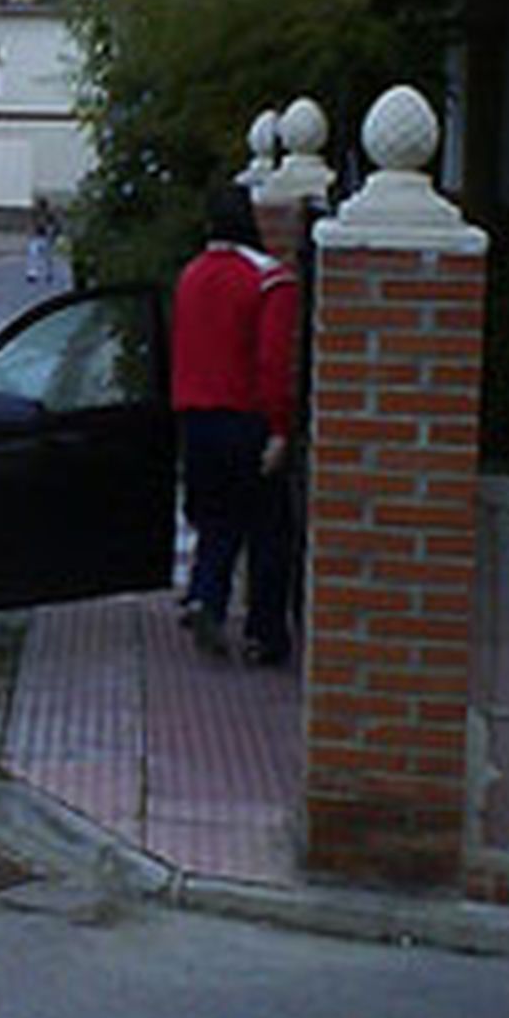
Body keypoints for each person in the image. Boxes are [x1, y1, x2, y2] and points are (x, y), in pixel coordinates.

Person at [170, 181, 299, 663]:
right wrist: (280, 428)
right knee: (268, 530)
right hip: (246, 419)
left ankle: (207, 596)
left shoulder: (191, 276)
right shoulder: (271, 280)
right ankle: (264, 635)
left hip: (195, 419)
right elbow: (272, 363)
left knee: (216, 520)